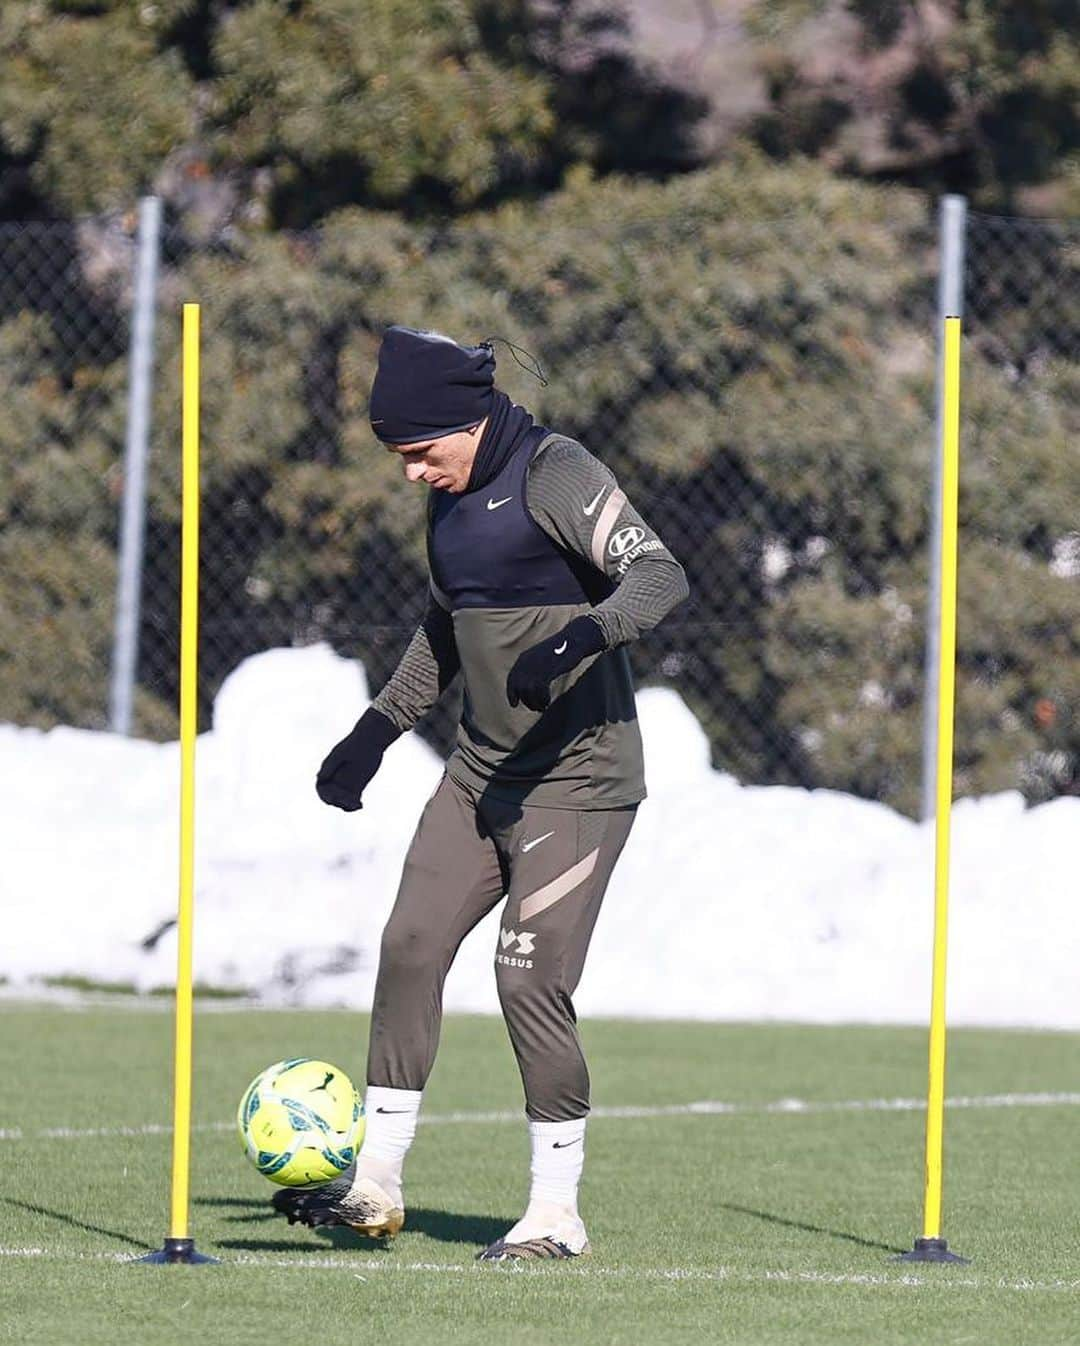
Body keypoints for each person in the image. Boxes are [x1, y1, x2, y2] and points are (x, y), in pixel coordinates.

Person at [273, 326, 689, 1261]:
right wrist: (375, 731)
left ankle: (555, 1215)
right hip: (477, 776)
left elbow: (660, 575)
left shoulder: (555, 470)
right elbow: (446, 624)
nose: (414, 474)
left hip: (577, 781)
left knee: (528, 980)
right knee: (410, 946)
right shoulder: (451, 500)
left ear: (468, 422)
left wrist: (583, 637)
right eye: (400, 458)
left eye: (422, 452)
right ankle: (375, 1184)